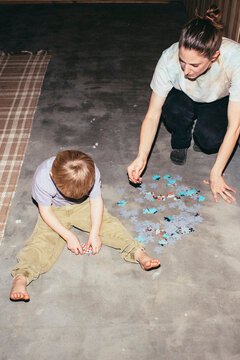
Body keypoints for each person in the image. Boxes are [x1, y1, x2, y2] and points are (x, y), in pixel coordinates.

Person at [10, 150, 160, 302]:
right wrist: (68, 236)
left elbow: (95, 201)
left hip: (84, 205)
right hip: (53, 210)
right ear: (52, 175)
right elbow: (45, 211)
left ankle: (137, 252)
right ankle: (22, 277)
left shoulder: (91, 172)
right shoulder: (42, 177)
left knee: (108, 224)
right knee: (42, 240)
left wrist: (94, 233)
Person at [127, 4, 240, 204]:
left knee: (209, 140)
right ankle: (181, 141)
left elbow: (235, 126)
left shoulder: (235, 58)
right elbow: (153, 114)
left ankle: (200, 135)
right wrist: (141, 156)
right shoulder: (168, 58)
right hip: (183, 96)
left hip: (218, 99)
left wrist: (216, 173)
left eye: (195, 65)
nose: (186, 70)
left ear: (213, 57)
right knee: (173, 111)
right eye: (182, 61)